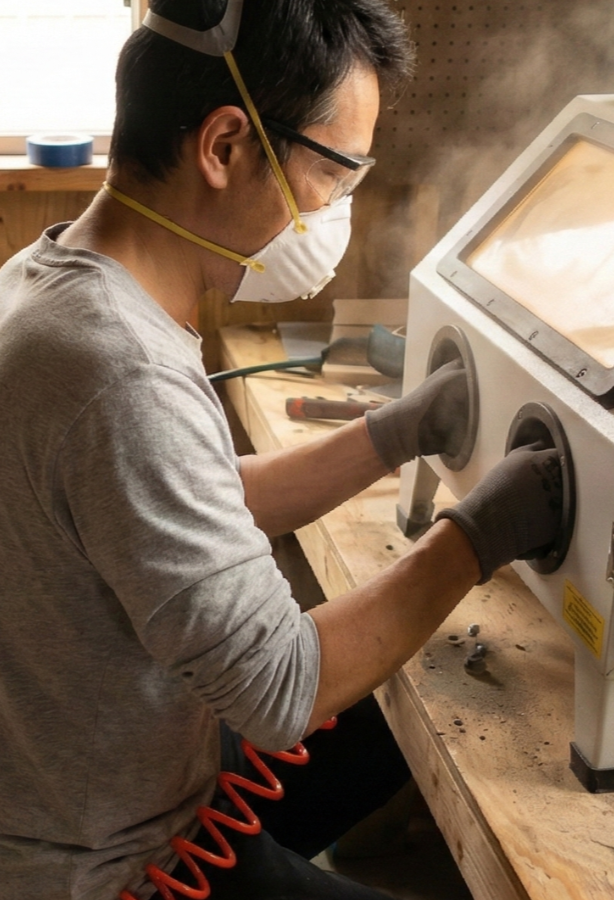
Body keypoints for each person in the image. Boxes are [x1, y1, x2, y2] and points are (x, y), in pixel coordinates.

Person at [0, 2, 562, 899]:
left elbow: (188, 501)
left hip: (107, 776)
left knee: (411, 705)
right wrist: (476, 537)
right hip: (121, 866)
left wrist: (393, 433)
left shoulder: (53, 281)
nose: (335, 208)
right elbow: (281, 687)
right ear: (224, 146)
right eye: (334, 171)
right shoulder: (117, 369)